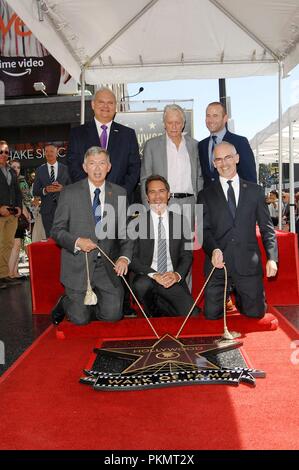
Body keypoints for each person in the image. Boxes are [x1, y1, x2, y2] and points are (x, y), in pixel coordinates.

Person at [51, 147, 133, 325]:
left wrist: (124, 258)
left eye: (102, 163)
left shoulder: (119, 193)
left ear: (109, 166)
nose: (97, 168)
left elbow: (126, 232)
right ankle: (68, 302)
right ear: (84, 167)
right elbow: (56, 231)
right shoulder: (69, 193)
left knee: (113, 316)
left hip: (106, 267)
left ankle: (92, 305)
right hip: (78, 266)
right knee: (80, 320)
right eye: (92, 163)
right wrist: (77, 241)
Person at [197, 141, 278, 320]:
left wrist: (272, 258)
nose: (224, 163)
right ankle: (226, 298)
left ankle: (241, 298)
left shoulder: (256, 192)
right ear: (214, 163)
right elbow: (203, 230)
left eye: (228, 157)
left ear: (237, 158)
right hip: (218, 267)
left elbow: (267, 228)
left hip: (247, 265)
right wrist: (214, 250)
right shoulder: (204, 195)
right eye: (218, 159)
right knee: (211, 316)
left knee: (256, 313)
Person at [129, 175, 199, 317]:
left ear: (168, 195)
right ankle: (152, 310)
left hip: (170, 277)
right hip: (148, 277)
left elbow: (186, 256)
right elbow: (132, 259)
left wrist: (176, 275)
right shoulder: (136, 222)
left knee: (192, 315)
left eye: (161, 191)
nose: (157, 196)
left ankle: (160, 305)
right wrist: (154, 275)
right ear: (147, 197)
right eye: (152, 192)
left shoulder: (180, 220)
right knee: (142, 285)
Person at [66, 86, 140, 201]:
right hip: (87, 200)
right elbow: (73, 166)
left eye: (110, 103)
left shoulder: (128, 135)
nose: (106, 106)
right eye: (101, 102)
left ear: (115, 107)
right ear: (93, 104)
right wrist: (90, 191)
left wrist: (120, 193)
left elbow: (134, 169)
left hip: (119, 200)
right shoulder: (77, 134)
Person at [141, 104, 203, 226]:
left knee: (188, 244)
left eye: (178, 122)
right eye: (170, 123)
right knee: (163, 243)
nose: (174, 127)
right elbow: (145, 180)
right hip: (163, 203)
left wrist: (199, 207)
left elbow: (199, 179)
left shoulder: (195, 146)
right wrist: (148, 209)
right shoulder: (151, 146)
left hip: (190, 204)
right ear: (164, 123)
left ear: (183, 123)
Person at [198, 102, 257, 188]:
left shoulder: (240, 142)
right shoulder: (202, 145)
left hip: (234, 198)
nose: (210, 120)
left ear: (225, 118)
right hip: (211, 199)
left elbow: (250, 177)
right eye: (208, 116)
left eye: (215, 116)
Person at [32, 143, 71, 238]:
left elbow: (72, 188)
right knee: (50, 238)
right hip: (47, 211)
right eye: (46, 151)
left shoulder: (66, 169)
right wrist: (45, 190)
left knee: (64, 236)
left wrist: (63, 188)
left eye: (51, 151)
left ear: (57, 152)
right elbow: (35, 191)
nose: (49, 153)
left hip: (63, 209)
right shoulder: (39, 170)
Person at [0, 140, 22, 289]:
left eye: (6, 152)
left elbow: (17, 191)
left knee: (8, 244)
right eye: (1, 151)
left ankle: (3, 275)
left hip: (12, 214)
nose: (3, 154)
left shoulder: (12, 171)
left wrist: (19, 207)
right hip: (0, 213)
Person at [8, 159, 32, 279]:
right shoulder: (8, 181)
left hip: (20, 217)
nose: (16, 169)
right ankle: (9, 273)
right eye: (13, 167)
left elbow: (27, 197)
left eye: (18, 167)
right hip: (12, 216)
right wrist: (23, 209)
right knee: (15, 245)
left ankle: (15, 272)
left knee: (18, 245)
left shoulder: (20, 180)